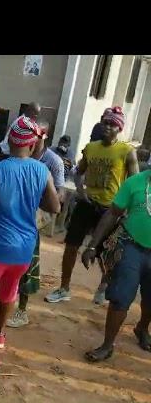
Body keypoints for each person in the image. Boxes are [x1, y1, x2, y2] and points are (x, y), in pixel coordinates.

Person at [0, 116, 60, 371]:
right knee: (9, 290)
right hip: (25, 248)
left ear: (10, 141)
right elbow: (54, 206)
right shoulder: (42, 170)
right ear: (32, 144)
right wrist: (31, 194)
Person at [45, 107, 139, 305]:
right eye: (105, 122)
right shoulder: (91, 148)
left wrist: (127, 210)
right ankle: (64, 288)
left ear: (119, 128)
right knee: (71, 245)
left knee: (108, 253)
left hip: (111, 210)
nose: (107, 127)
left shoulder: (127, 152)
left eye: (112, 124)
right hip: (88, 204)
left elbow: (135, 184)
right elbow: (78, 172)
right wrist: (81, 191)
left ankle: (102, 289)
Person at [81, 170, 151, 362]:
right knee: (121, 297)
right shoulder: (135, 183)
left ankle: (142, 328)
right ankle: (107, 345)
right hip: (131, 247)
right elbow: (113, 213)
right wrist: (92, 246)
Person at [6, 121, 65, 328]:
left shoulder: (53, 162)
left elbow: (60, 193)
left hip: (33, 220)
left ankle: (22, 310)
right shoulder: (21, 153)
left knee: (27, 267)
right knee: (8, 264)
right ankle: (6, 300)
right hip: (13, 217)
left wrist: (39, 202)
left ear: (42, 138)